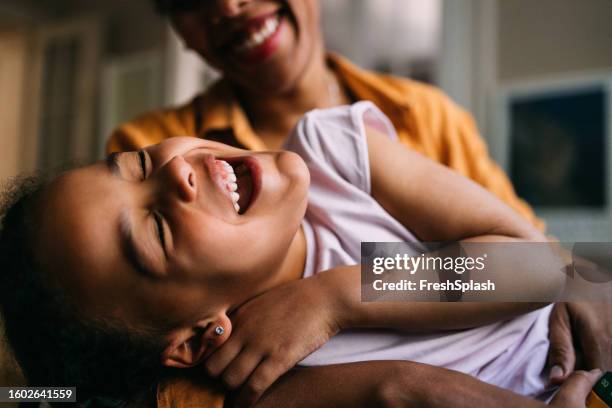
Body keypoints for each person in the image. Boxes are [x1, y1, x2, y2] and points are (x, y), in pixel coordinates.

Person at [105, 0, 611, 405]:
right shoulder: (142, 152)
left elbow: (540, 257)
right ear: (181, 31)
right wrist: (396, 388)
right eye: (188, 1)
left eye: (144, 166)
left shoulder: (369, 133)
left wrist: (339, 296)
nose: (227, 6)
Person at [0, 103, 602, 407]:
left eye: (135, 165)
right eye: (156, 230)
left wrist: (339, 297)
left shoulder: (335, 152)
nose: (177, 172)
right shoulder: (263, 385)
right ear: (192, 341)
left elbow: (545, 266)